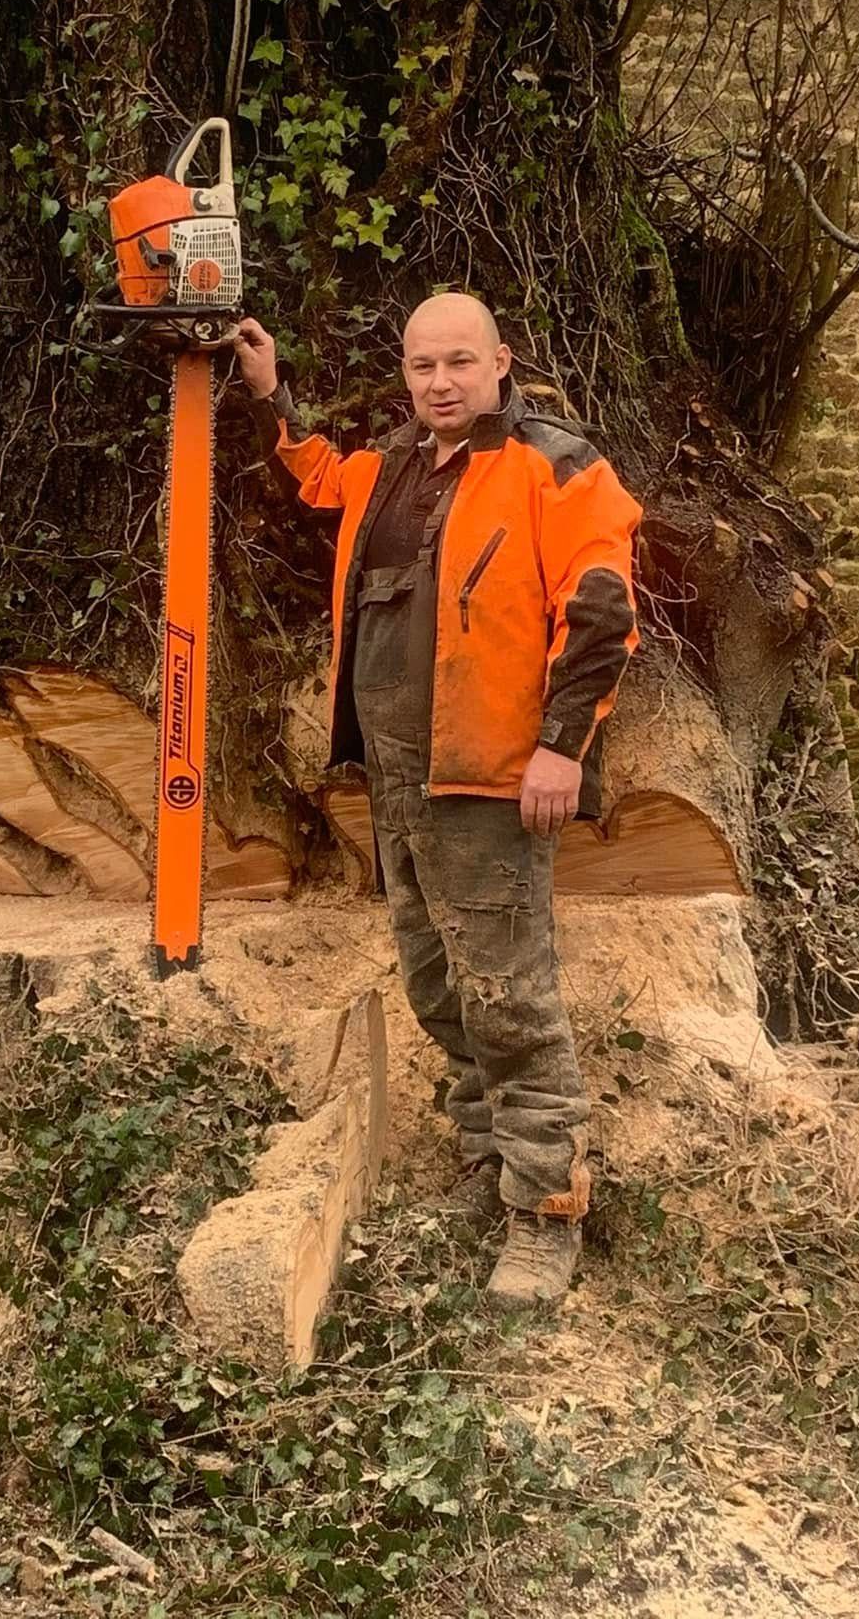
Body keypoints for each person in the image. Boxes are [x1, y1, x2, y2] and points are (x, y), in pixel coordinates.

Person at [234, 294, 642, 1309]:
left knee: (509, 993)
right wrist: (271, 391)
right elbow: (324, 477)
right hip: (400, 775)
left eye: (460, 361)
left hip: (493, 775)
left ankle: (547, 1206)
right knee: (433, 977)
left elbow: (602, 608)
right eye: (423, 365)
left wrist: (560, 749)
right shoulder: (400, 462)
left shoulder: (557, 465)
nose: (440, 381)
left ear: (502, 360)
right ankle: (483, 1156)